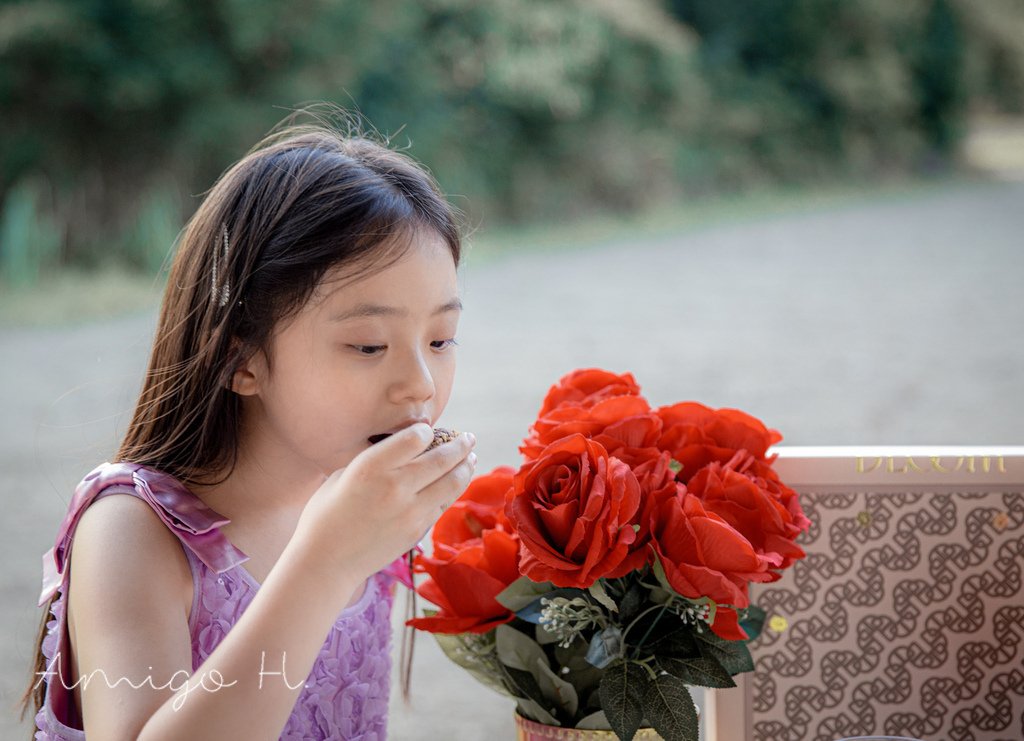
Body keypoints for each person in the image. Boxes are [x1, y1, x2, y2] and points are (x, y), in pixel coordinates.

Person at [19, 110, 478, 740]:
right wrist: (325, 563)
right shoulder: (134, 529)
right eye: (369, 346)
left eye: (442, 339)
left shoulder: (359, 505)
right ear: (241, 358)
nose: (421, 384)